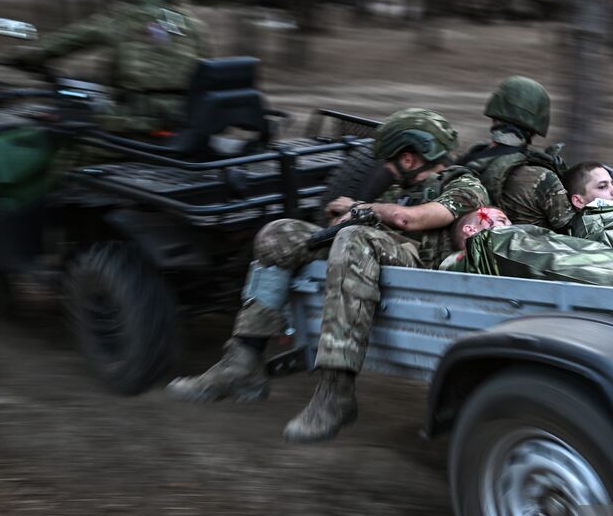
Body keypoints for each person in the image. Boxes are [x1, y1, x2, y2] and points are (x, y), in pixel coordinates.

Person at [166, 108, 489, 443]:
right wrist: (346, 216)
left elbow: (412, 221)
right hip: (369, 253)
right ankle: (241, 362)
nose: (385, 168)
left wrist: (364, 211)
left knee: (354, 239)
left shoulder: (464, 185)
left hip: (420, 266)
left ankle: (336, 391)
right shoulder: (397, 191)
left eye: (389, 161)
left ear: (409, 159)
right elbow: (357, 224)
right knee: (278, 235)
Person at [9, 0, 210, 136]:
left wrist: (22, 56)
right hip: (184, 120)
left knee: (66, 145)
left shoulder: (120, 18)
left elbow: (63, 43)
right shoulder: (196, 27)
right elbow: (206, 70)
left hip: (136, 120)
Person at [459, 76, 573, 230]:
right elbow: (573, 232)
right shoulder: (542, 177)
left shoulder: (466, 162)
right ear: (539, 123)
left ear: (493, 115)